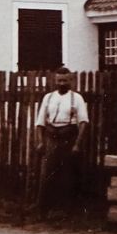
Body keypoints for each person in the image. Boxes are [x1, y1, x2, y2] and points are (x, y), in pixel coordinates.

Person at [34, 67, 89, 212]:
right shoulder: (48, 97)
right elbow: (40, 122)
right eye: (59, 80)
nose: (62, 83)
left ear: (70, 80)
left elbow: (83, 122)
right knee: (47, 173)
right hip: (51, 138)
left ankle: (67, 210)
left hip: (68, 138)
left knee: (67, 174)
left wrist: (77, 144)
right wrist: (41, 141)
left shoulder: (76, 98)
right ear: (55, 81)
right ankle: (43, 209)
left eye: (65, 80)